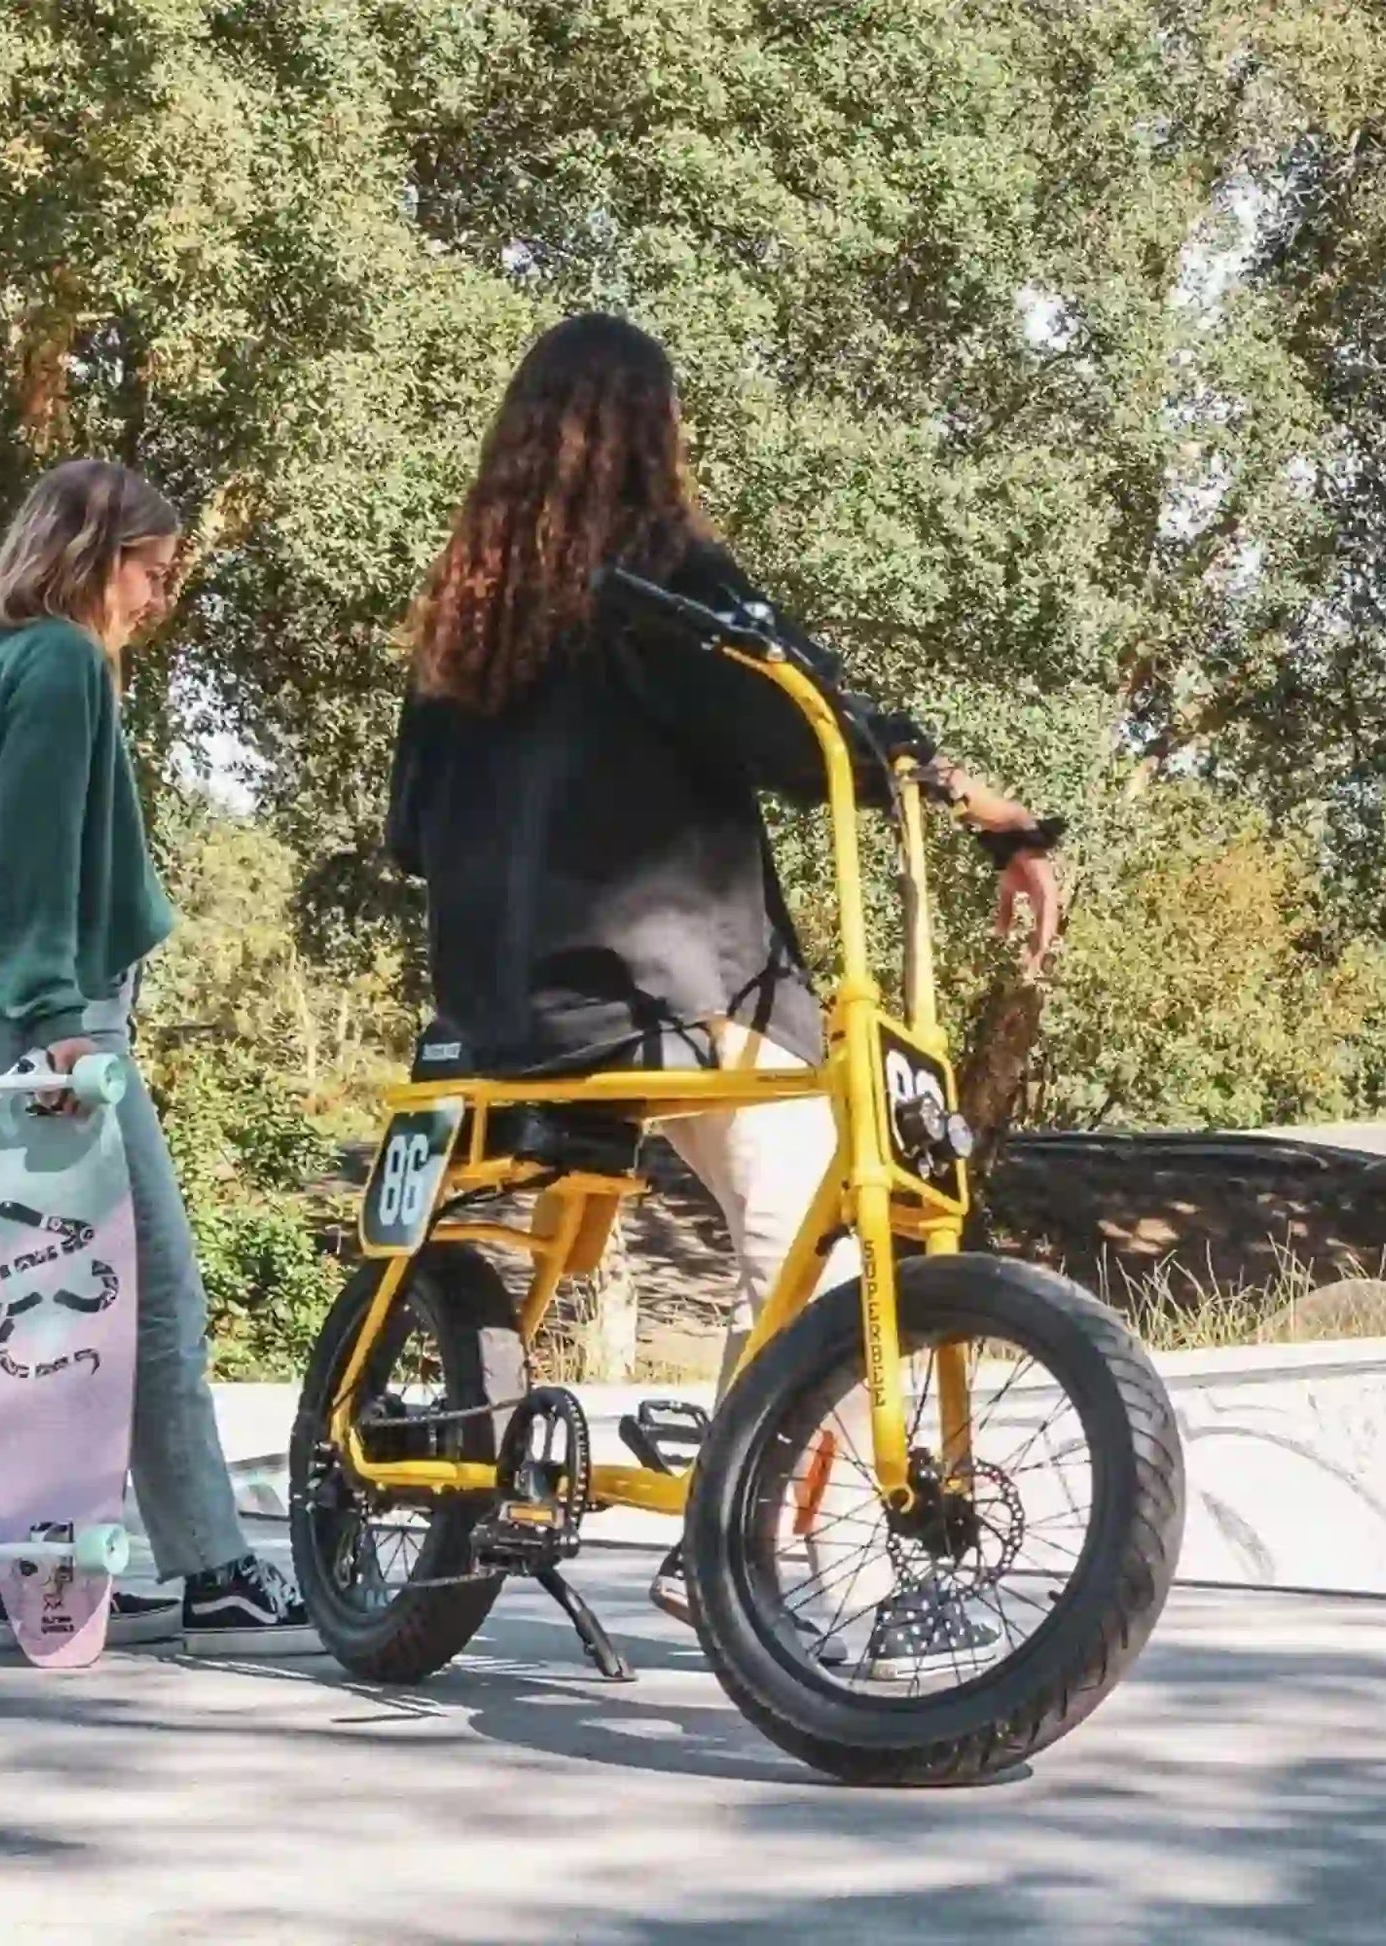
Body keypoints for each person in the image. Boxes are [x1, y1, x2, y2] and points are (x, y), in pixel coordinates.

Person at [385, 314, 1067, 1655]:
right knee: (811, 1231)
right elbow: (815, 725)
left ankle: (699, 1515)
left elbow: (408, 831)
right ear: (652, 436)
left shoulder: (460, 617)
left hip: (507, 1013)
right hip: (673, 995)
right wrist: (986, 809)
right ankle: (745, 1548)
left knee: (736, 1212)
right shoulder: (668, 584)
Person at [0, 457, 316, 1655]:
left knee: (36, 1308)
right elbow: (33, 857)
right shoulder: (57, 663)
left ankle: (31, 1572)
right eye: (152, 571)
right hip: (54, 1027)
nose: (156, 598)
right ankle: (214, 1568)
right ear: (95, 557)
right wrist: (57, 1019)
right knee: (153, 1297)